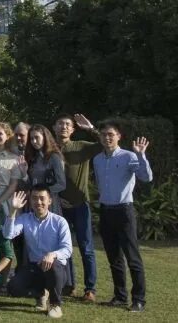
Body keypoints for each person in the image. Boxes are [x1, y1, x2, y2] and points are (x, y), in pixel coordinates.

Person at [94, 123, 152, 312]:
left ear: (119, 136)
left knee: (132, 257)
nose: (107, 138)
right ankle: (120, 297)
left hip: (124, 211)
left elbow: (146, 177)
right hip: (106, 211)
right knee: (114, 257)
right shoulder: (97, 159)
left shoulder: (129, 156)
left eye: (111, 134)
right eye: (103, 135)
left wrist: (141, 155)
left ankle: (139, 299)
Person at [53, 113, 102, 302]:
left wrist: (91, 129)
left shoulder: (82, 146)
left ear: (73, 129)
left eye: (68, 124)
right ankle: (69, 284)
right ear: (54, 127)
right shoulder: (51, 149)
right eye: (60, 124)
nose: (64, 127)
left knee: (86, 247)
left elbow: (104, 144)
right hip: (59, 207)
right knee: (64, 247)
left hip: (80, 205)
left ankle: (90, 289)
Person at [3, 188, 73, 319]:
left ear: (50, 201)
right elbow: (8, 234)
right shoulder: (25, 219)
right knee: (13, 287)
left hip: (55, 268)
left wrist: (52, 255)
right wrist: (13, 210)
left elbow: (68, 249)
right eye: (34, 198)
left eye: (42, 198)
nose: (38, 202)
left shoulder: (60, 222)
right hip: (34, 267)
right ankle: (40, 294)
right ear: (30, 201)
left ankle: (55, 305)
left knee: (52, 266)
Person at [25, 125, 67, 216]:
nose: (34, 141)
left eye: (37, 137)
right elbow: (31, 183)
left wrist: (43, 192)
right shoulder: (32, 158)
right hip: (33, 203)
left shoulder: (54, 157)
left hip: (49, 203)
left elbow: (61, 184)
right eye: (31, 139)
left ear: (45, 137)